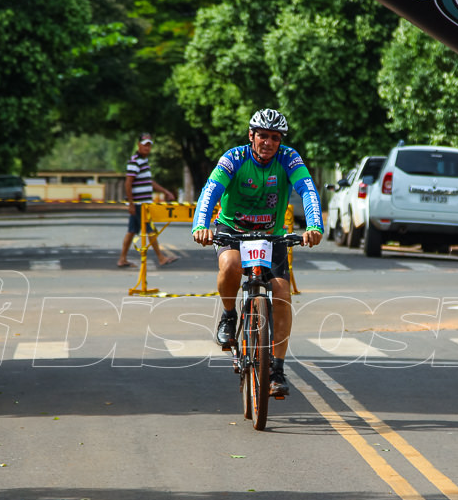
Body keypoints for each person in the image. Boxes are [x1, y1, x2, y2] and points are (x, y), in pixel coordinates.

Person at [192, 109, 323, 397]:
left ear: (280, 141)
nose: (268, 142)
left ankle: (276, 368)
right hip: (232, 231)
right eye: (262, 135)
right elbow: (211, 190)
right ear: (251, 136)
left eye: (275, 138)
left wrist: (314, 225)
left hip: (271, 235)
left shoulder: (289, 159)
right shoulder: (234, 158)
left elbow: (308, 190)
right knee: (230, 265)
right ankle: (229, 316)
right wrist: (201, 225)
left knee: (282, 294)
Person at [118, 132, 178, 267]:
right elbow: (128, 183)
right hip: (140, 204)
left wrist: (165, 191)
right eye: (145, 145)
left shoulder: (143, 161)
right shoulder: (135, 161)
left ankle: (122, 259)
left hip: (143, 203)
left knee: (132, 231)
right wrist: (131, 204)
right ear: (139, 145)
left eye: (149, 145)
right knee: (150, 229)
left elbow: (149, 182)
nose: (147, 148)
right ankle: (161, 257)